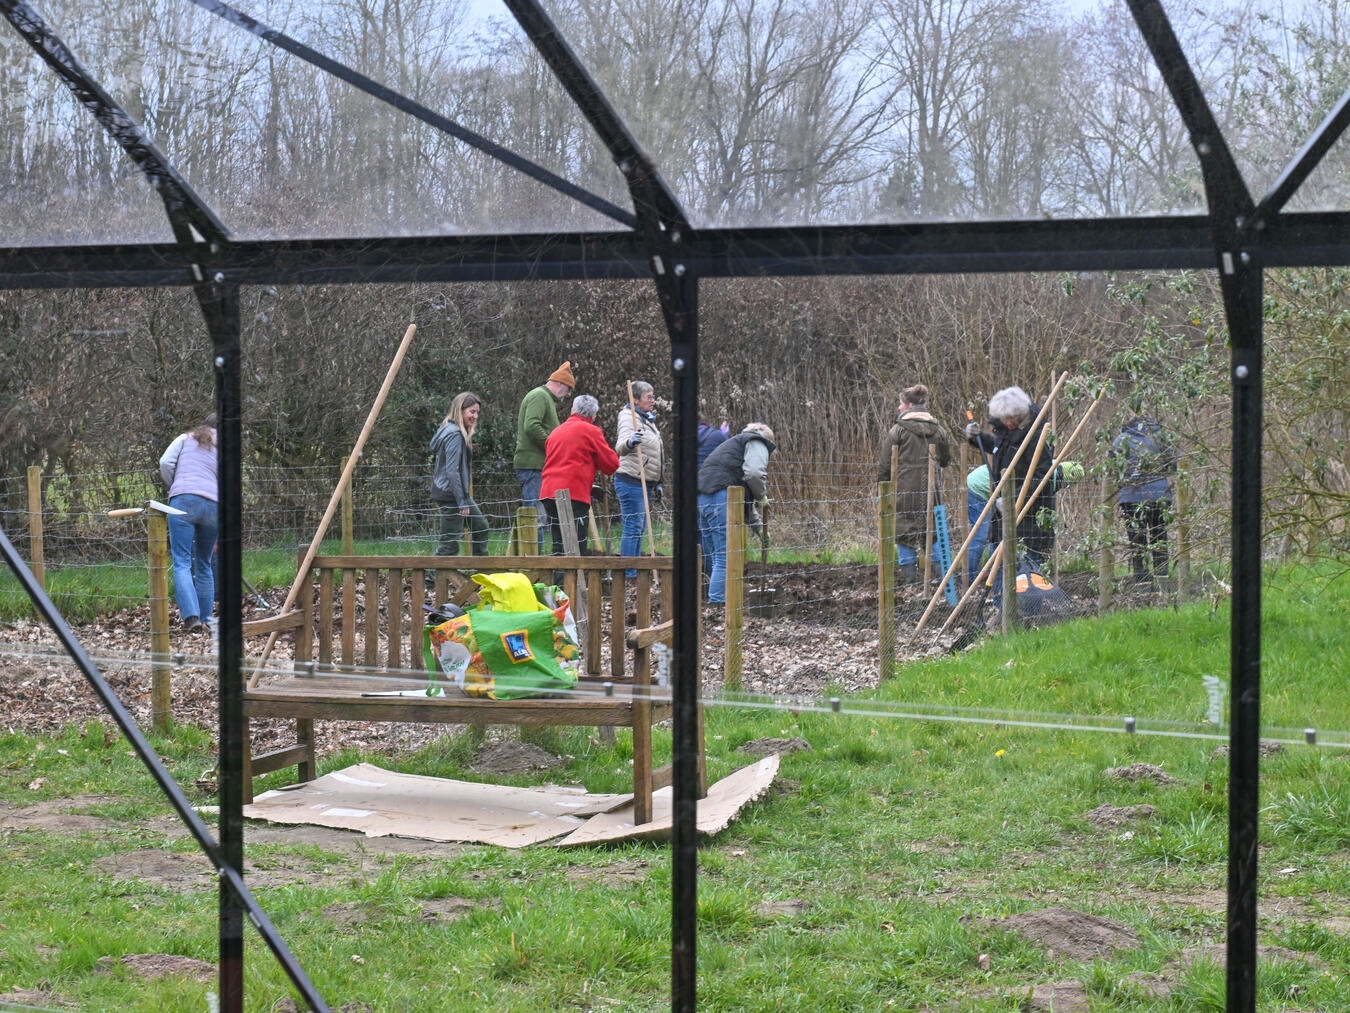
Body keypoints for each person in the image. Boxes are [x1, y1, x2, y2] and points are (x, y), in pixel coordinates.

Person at [964, 386, 1056, 568]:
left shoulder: (1035, 437)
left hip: (1029, 517)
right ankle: (1000, 597)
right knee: (998, 568)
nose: (1007, 422)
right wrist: (978, 438)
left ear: (1021, 413)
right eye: (1004, 418)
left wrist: (1013, 497)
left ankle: (1026, 597)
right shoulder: (1006, 431)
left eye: (1011, 418)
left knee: (1025, 573)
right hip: (1002, 518)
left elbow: (1042, 476)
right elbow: (1000, 450)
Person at [876, 383, 951, 584]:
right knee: (932, 534)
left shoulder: (897, 431)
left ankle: (911, 583)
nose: (899, 408)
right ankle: (942, 583)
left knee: (903, 533)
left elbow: (884, 466)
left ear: (909, 405)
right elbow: (945, 460)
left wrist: (882, 491)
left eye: (901, 404)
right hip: (931, 492)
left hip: (904, 493)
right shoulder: (939, 430)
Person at [697, 422, 776, 605]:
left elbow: (744, 501)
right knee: (725, 555)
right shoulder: (757, 441)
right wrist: (762, 495)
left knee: (714, 554)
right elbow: (754, 474)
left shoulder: (734, 447)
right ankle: (717, 604)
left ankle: (711, 600)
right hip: (720, 496)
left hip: (702, 496)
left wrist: (759, 529)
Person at [159, 412, 218, 634]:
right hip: (214, 504)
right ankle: (207, 619)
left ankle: (191, 618)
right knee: (204, 562)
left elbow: (165, 462)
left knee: (182, 561)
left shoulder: (185, 439)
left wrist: (176, 484)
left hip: (183, 500)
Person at [540, 394, 620, 555]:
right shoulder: (591, 431)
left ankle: (558, 580)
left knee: (559, 543)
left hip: (548, 492)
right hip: (573, 494)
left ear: (572, 410)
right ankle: (573, 580)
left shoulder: (555, 432)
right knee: (576, 545)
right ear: (593, 416)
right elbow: (611, 465)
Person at [513, 361, 575, 550]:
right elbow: (531, 426)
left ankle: (530, 561)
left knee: (537, 517)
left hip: (537, 466)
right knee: (536, 519)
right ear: (560, 384)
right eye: (569, 389)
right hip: (532, 466)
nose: (569, 394)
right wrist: (553, 445)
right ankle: (533, 566)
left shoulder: (544, 398)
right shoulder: (540, 396)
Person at [1110, 416, 1178, 584]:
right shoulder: (1160, 437)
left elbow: (1112, 468)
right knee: (1159, 535)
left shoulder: (1120, 441)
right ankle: (1162, 579)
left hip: (1130, 497)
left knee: (1136, 539)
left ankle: (1142, 582)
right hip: (1159, 494)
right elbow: (1174, 464)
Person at [614, 380, 665, 576]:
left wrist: (657, 482)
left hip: (645, 483)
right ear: (635, 400)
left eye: (653, 396)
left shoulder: (646, 419)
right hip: (631, 480)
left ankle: (632, 571)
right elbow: (620, 448)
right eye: (649, 397)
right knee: (633, 527)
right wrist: (629, 442)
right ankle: (629, 574)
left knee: (639, 527)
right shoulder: (629, 417)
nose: (653, 400)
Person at [430, 392, 489, 556]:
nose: (475, 416)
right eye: (472, 411)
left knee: (480, 527)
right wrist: (462, 502)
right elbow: (452, 471)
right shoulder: (455, 434)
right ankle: (431, 582)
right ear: (460, 411)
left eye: (477, 412)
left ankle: (480, 575)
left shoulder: (449, 429)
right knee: (449, 546)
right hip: (451, 495)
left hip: (456, 494)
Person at [965, 463, 993, 585]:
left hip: (990, 489)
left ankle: (994, 572)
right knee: (981, 534)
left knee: (996, 534)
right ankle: (969, 578)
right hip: (978, 488)